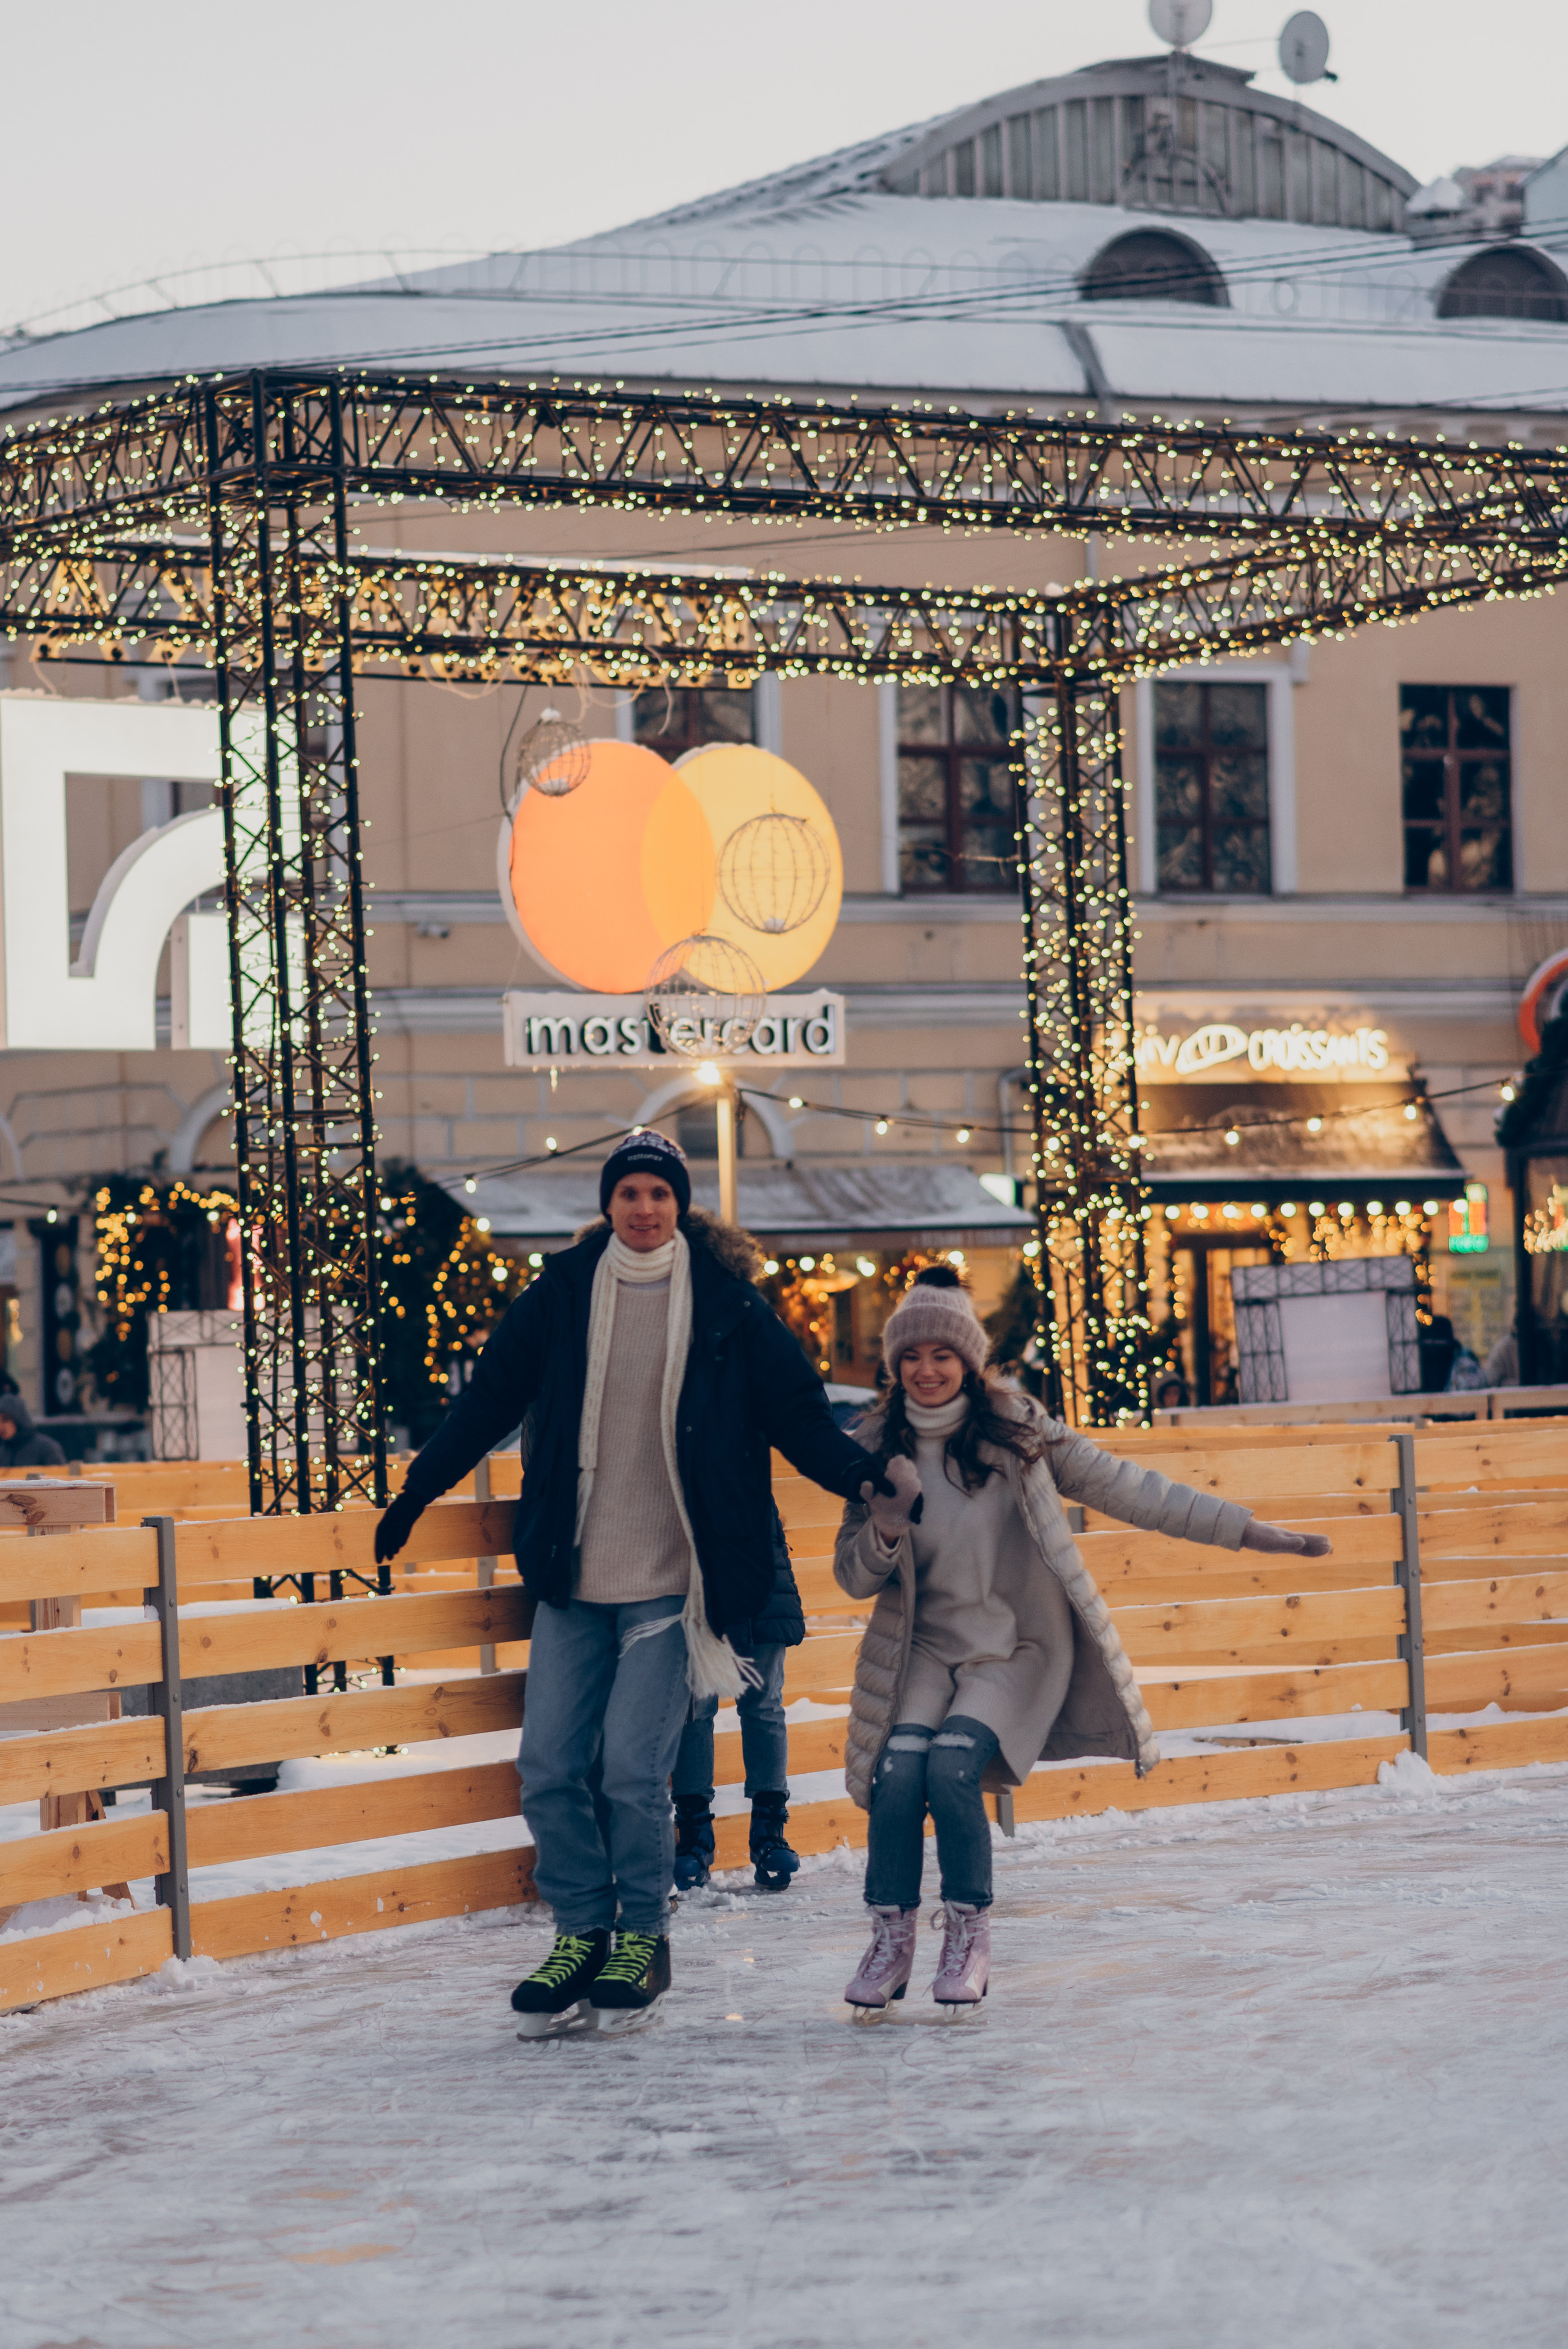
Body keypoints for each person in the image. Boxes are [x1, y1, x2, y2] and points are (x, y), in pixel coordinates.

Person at [374, 1129, 882, 2037]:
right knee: (548, 1770)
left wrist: (866, 1478)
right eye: (629, 1193)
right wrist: (419, 1488)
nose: (643, 1208)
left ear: (678, 1203)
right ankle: (581, 1930)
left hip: (673, 1586)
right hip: (575, 1576)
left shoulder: (729, 1306)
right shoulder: (562, 1297)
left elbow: (799, 1417)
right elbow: (487, 1400)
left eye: (658, 1193)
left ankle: (642, 1932)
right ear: (607, 1203)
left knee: (630, 1771)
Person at [834, 1266, 1332, 2020]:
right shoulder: (873, 1449)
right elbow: (852, 1577)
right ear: (894, 1365)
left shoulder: (1021, 1431)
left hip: (1018, 1648)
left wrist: (1250, 1532)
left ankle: (968, 1937)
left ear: (968, 1362)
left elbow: (1133, 1488)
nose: (926, 1370)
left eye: (943, 1354)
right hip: (926, 1652)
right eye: (911, 1356)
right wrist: (887, 1524)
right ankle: (890, 1939)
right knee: (897, 1773)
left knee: (950, 1766)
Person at [669, 1505, 802, 1894]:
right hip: (693, 1577)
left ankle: (769, 1834)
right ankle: (694, 1837)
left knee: (763, 1706)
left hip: (757, 1570)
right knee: (694, 1708)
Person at [0, 1395, 67, 1469]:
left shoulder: (47, 1449)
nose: (1, 1427)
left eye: (5, 1420)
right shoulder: (2, 1452)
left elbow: (58, 1478)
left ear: (19, 1419)